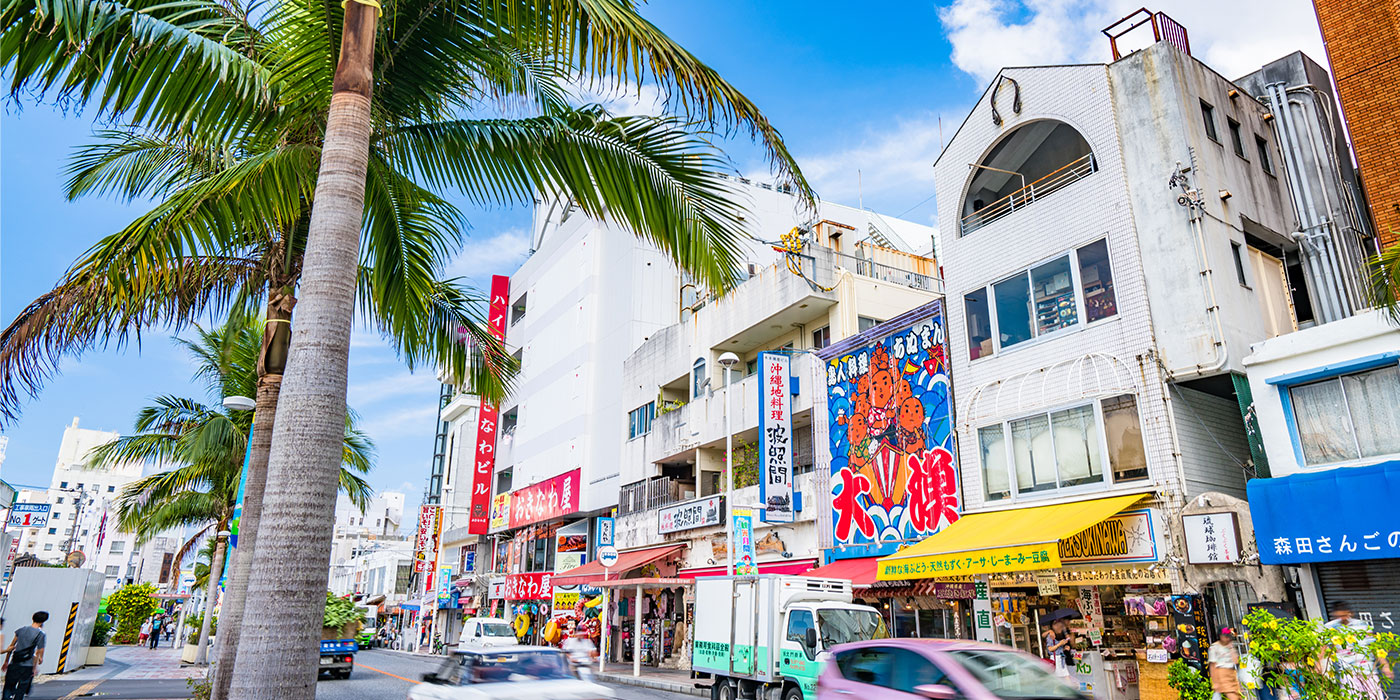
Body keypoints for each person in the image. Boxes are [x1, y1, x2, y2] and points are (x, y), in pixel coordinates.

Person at [1325, 601, 1391, 700]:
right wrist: (1319, 664)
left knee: (1376, 697)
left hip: (1367, 670)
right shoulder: (1330, 628)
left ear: (1349, 613)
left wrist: (1385, 665)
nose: (1342, 618)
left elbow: (1373, 646)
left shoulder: (1361, 625)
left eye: (1344, 615)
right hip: (1348, 672)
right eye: (1339, 616)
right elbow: (1324, 647)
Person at [1, 611, 48, 700]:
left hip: (14, 663)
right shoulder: (40, 635)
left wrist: (6, 661)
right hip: (27, 666)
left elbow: (11, 647)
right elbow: (38, 652)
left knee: (8, 687)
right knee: (21, 689)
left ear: (33, 618)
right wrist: (35, 667)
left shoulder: (21, 630)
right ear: (43, 621)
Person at [1208, 628, 1243, 700]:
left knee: (1238, 696)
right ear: (1220, 636)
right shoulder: (1214, 647)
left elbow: (1236, 661)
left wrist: (1231, 648)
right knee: (1232, 696)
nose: (1227, 638)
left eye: (1228, 636)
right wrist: (1215, 682)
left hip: (1232, 672)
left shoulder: (1230, 646)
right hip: (1221, 673)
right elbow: (1212, 665)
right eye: (1225, 636)